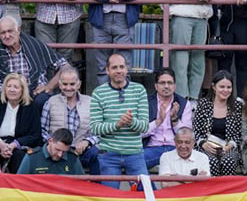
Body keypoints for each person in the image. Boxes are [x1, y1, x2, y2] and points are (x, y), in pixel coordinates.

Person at [90, 53, 149, 185]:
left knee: (145, 193)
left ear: (126, 69)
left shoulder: (139, 90)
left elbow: (145, 126)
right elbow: (95, 128)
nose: (118, 71)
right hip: (109, 154)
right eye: (114, 67)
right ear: (107, 70)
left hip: (134, 153)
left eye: (121, 67)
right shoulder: (98, 93)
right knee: (111, 198)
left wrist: (131, 121)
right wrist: (117, 124)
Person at [0, 17, 68, 105]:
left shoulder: (34, 45)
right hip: (8, 93)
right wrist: (13, 93)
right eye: (3, 33)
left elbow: (66, 67)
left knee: (42, 99)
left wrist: (49, 87)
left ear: (18, 30)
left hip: (35, 92)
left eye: (10, 31)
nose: (7, 36)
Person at [40, 67, 98, 174]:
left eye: (72, 84)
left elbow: (98, 131)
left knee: (97, 155)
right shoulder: (51, 102)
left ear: (78, 85)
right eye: (65, 84)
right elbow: (43, 130)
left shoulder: (90, 102)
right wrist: (55, 145)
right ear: (60, 85)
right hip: (58, 152)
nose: (68, 87)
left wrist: (87, 141)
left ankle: (96, 189)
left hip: (81, 151)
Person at [85, 0, 145, 83]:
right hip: (100, 19)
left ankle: (124, 95)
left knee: (124, 63)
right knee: (102, 65)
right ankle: (105, 96)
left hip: (125, 19)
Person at [162, 0, 213, 100]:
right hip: (181, 17)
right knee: (180, 61)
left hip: (202, 17)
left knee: (198, 61)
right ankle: (182, 99)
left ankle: (193, 98)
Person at [193, 70, 244, 177]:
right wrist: (204, 144)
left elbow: (238, 133)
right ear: (214, 87)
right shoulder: (203, 104)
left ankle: (227, 192)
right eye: (222, 87)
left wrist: (228, 146)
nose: (225, 90)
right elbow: (196, 131)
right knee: (211, 162)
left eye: (229, 87)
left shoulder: (237, 106)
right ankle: (213, 192)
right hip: (207, 145)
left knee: (228, 162)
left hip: (228, 146)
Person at [0, 72, 43, 173]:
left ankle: (16, 187)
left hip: (19, 144)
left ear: (23, 90)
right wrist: (0, 143)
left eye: (16, 87)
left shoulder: (32, 106)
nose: (11, 90)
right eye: (8, 86)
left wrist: (14, 144)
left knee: (19, 156)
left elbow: (35, 134)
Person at [144, 67, 193, 170]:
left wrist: (175, 120)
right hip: (152, 148)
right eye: (162, 83)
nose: (166, 86)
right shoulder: (146, 103)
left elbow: (187, 135)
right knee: (134, 163)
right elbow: (139, 132)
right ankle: (150, 187)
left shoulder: (184, 103)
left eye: (170, 83)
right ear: (156, 86)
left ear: (174, 86)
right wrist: (158, 122)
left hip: (176, 148)